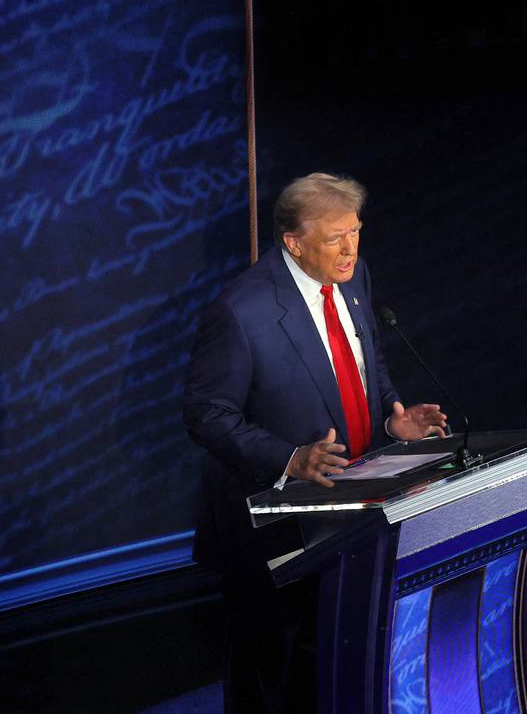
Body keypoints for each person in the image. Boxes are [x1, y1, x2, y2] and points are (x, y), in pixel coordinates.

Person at [184, 173, 449, 714]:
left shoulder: (354, 280)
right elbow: (206, 414)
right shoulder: (242, 310)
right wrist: (288, 457)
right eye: (335, 238)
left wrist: (390, 420)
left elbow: (365, 363)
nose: (350, 249)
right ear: (294, 242)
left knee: (329, 667)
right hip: (268, 527)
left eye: (356, 231)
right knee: (271, 678)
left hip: (350, 511)